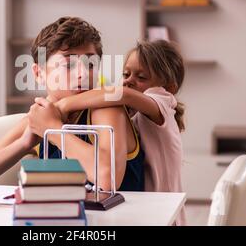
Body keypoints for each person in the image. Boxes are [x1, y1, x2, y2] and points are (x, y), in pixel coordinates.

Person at [0, 17, 144, 192]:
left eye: (90, 64)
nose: (83, 74)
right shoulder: (42, 116)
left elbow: (107, 179)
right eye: (69, 65)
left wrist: (53, 129)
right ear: (38, 73)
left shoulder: (105, 107)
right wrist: (23, 143)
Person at [55, 39, 186, 224]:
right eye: (126, 74)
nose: (128, 81)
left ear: (169, 88)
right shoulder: (138, 114)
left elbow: (123, 94)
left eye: (141, 77)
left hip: (166, 215)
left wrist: (63, 105)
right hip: (150, 212)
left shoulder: (163, 101)